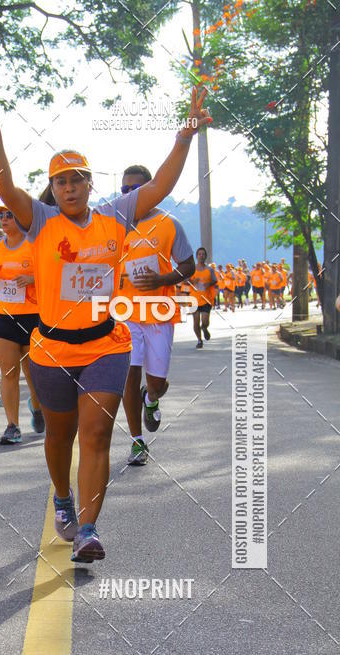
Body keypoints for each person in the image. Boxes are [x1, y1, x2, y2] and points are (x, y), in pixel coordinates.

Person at [0, 78, 210, 562]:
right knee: (60, 436)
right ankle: (62, 497)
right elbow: (4, 184)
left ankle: (87, 529)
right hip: (52, 348)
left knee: (97, 435)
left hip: (106, 344)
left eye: (77, 179)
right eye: (61, 181)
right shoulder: (40, 220)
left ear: (89, 183)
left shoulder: (114, 216)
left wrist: (185, 135)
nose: (69, 188)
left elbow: (161, 186)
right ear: (53, 188)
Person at [117, 165, 194, 465]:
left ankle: (151, 398)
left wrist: (161, 280)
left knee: (157, 382)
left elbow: (187, 265)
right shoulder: (116, 225)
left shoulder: (169, 224)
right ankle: (137, 441)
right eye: (124, 189)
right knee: (129, 372)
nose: (129, 194)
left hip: (159, 312)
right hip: (126, 312)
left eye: (135, 188)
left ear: (151, 189)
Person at [0, 205, 44, 444]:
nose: (4, 219)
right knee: (9, 371)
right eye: (1, 215)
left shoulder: (35, 242)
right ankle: (12, 426)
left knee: (32, 371)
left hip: (33, 316)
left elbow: (54, 272)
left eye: (10, 214)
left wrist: (32, 279)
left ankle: (37, 407)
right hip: (3, 315)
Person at [189, 247, 218, 349]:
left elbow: (215, 280)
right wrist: (192, 281)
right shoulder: (192, 269)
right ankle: (199, 340)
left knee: (205, 321)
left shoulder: (210, 269)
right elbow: (185, 281)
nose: (201, 256)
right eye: (199, 254)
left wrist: (209, 283)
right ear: (196, 256)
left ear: (205, 256)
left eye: (203, 254)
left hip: (206, 298)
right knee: (196, 321)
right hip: (194, 299)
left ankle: (204, 328)